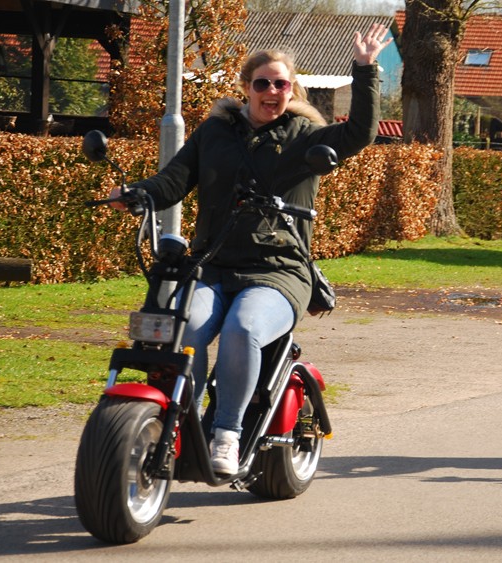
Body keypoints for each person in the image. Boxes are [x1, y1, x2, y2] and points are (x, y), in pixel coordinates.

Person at [108, 24, 392, 474]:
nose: (272, 91)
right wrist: (138, 193)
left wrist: (365, 68)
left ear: (291, 89)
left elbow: (359, 132)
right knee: (186, 331)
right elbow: (174, 180)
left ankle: (226, 434)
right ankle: (177, 425)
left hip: (279, 272)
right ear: (246, 88)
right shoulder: (215, 132)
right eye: (263, 83)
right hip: (212, 266)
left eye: (281, 83)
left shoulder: (306, 136)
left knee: (243, 329)